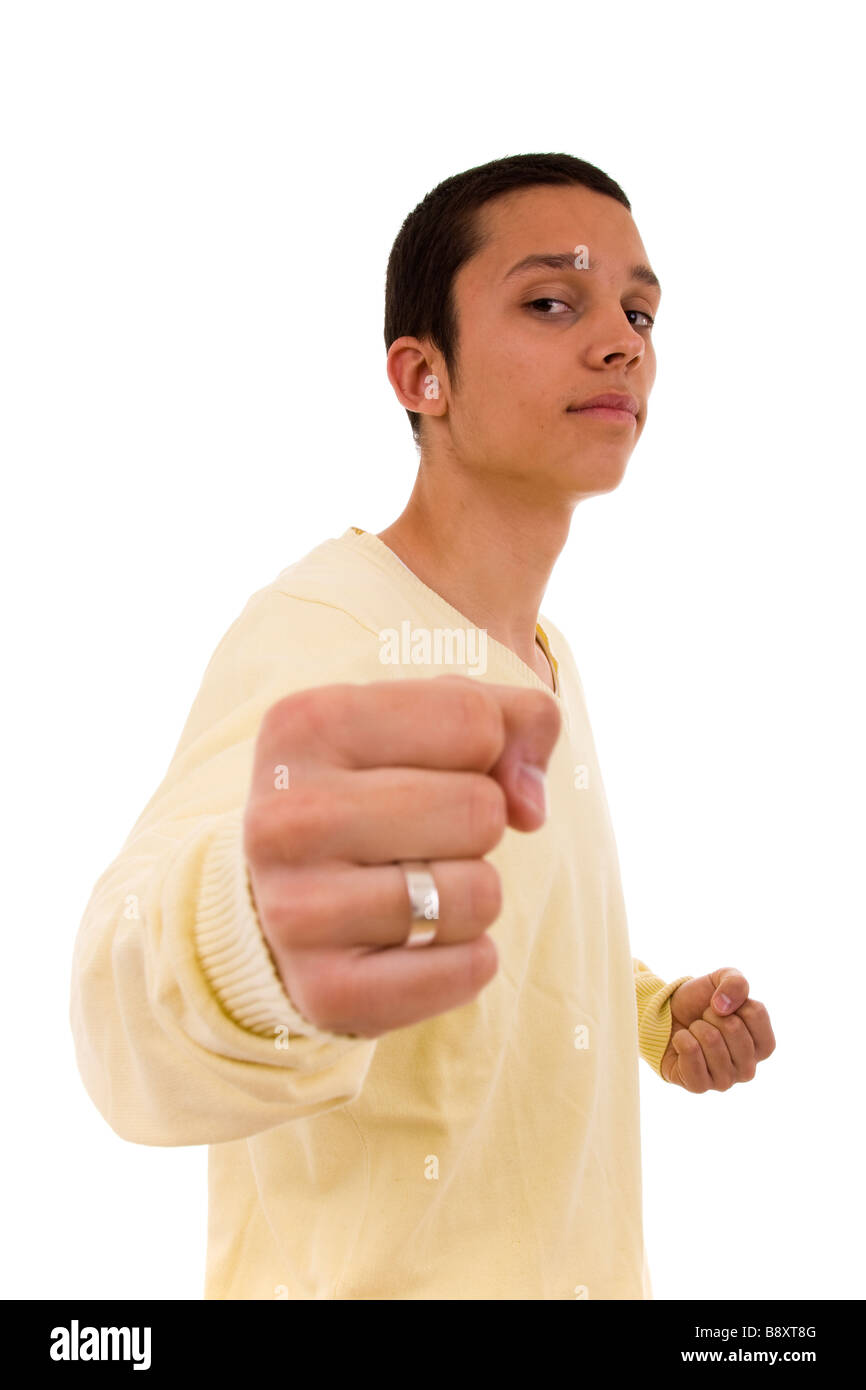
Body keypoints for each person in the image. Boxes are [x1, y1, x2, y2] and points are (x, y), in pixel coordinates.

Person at [70, 152, 776, 1300]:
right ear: (422, 374)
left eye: (639, 311)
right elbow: (123, 986)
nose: (622, 342)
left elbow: (486, 923)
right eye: (553, 301)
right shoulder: (322, 625)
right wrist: (250, 944)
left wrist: (647, 1014)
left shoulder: (551, 662)